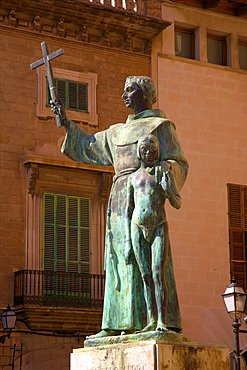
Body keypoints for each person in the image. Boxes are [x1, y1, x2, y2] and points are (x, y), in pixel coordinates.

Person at [52, 75, 188, 337]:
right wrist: (66, 121)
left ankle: (156, 320)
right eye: (124, 90)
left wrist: (164, 170)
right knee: (118, 258)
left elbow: (179, 162)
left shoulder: (161, 126)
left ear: (146, 93)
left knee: (149, 265)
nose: (124, 96)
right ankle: (115, 324)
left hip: (143, 196)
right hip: (118, 201)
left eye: (130, 90)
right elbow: (87, 145)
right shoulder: (116, 132)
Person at [125, 134, 182, 333]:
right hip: (136, 226)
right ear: (139, 152)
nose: (148, 153)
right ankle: (150, 319)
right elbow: (128, 209)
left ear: (157, 151)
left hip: (158, 225)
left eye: (151, 150)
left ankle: (161, 321)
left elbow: (178, 203)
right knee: (146, 275)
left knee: (158, 273)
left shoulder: (163, 172)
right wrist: (126, 242)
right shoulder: (133, 177)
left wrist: (167, 189)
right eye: (144, 150)